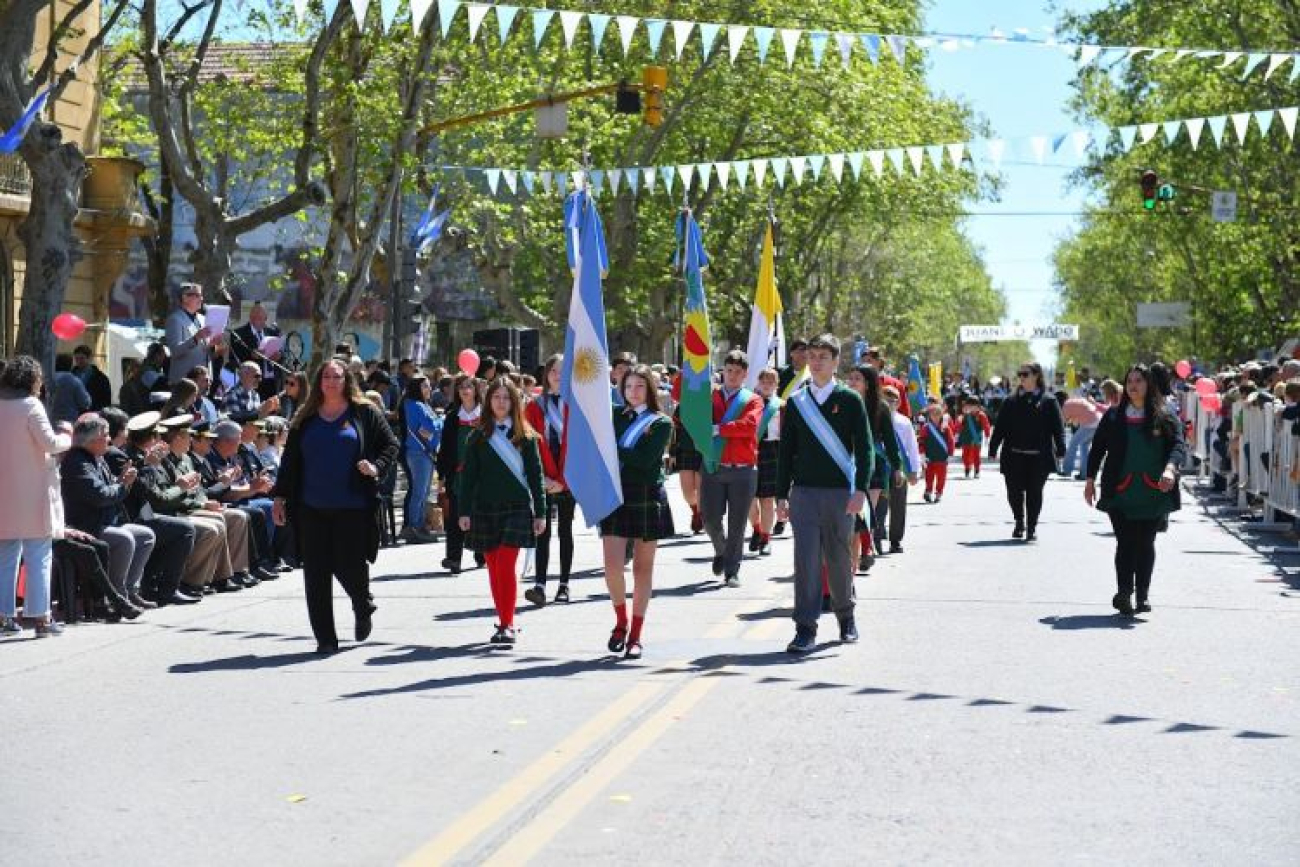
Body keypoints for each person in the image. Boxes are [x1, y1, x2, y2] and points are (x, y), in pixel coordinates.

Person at [272, 360, 399, 655]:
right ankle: (325, 639)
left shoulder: (364, 412)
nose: (331, 381)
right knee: (315, 572)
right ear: (319, 382)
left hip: (353, 506)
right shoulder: (306, 417)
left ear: (347, 380)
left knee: (349, 565)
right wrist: (280, 498)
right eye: (326, 376)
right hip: (310, 506)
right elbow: (290, 462)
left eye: (337, 376)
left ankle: (361, 603)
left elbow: (390, 445)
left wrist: (376, 467)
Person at [776, 334, 874, 654]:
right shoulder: (797, 401)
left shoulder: (850, 400)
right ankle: (805, 627)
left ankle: (846, 616)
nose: (816, 361)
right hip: (803, 493)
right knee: (805, 562)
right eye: (812, 355)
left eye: (823, 356)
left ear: (835, 362)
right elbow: (786, 452)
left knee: (838, 559)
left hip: (839, 494)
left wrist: (860, 489)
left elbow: (865, 448)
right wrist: (781, 494)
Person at [1085, 364, 1187, 616]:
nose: (1133, 385)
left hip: (1154, 491)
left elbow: (1178, 445)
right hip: (1119, 492)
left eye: (1139, 380)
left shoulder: (1164, 414)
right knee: (1125, 542)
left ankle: (1142, 594)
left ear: (1148, 384)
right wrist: (1089, 480)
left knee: (1145, 542)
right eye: (1129, 380)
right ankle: (1124, 592)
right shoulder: (1113, 416)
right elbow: (1097, 448)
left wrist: (1170, 469)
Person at [457, 377, 546, 646]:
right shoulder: (478, 435)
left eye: (507, 398)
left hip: (517, 507)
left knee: (506, 564)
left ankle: (507, 624)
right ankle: (503, 618)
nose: (501, 402)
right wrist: (463, 511)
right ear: (488, 401)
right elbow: (468, 477)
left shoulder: (526, 436)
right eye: (496, 397)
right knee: (494, 568)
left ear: (514, 402)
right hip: (484, 508)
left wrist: (540, 512)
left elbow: (535, 475)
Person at [599, 364, 674, 660]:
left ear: (650, 390)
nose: (633, 392)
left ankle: (636, 635)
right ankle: (620, 620)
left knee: (643, 568)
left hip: (645, 495)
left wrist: (613, 450)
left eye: (640, 387)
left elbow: (645, 460)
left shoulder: (661, 423)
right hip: (616, 497)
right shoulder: (613, 416)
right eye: (628, 387)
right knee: (612, 567)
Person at [0, 356, 73, 636]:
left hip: (4, 493)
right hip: (33, 494)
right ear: (33, 380)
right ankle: (41, 619)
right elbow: (50, 443)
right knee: (38, 556)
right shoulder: (31, 405)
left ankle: (5, 619)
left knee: (5, 559)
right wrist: (67, 436)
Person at [700, 350, 763, 587]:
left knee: (737, 523)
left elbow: (749, 426)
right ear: (722, 371)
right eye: (729, 370)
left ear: (745, 374)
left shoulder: (753, 399)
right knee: (709, 518)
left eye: (738, 372)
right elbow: (693, 417)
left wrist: (719, 429)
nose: (733, 375)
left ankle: (732, 569)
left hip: (743, 468)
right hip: (713, 465)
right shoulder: (711, 395)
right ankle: (721, 550)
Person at [988, 361, 1065, 542]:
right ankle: (1019, 521)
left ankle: (1031, 527)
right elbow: (1000, 428)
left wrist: (1061, 448)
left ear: (1036, 376)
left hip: (1039, 457)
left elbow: (1058, 428)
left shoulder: (1049, 401)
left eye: (1026, 374)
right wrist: (993, 448)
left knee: (1034, 492)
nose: (1022, 378)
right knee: (1014, 492)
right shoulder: (1010, 401)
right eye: (1020, 374)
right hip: (1013, 455)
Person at [523, 355, 576, 605]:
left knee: (565, 530)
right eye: (553, 370)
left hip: (568, 478)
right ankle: (540, 584)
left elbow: (579, 447)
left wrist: (564, 480)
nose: (557, 375)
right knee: (541, 530)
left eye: (563, 371)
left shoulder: (575, 406)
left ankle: (564, 584)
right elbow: (528, 443)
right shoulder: (535, 406)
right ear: (546, 374)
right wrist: (541, 477)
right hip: (543, 477)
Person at [847, 365, 902, 567]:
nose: (851, 382)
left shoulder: (881, 407)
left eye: (856, 379)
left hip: (874, 463)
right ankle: (860, 549)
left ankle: (866, 548)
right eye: (850, 378)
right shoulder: (843, 402)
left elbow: (890, 440)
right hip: (847, 462)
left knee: (866, 507)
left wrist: (897, 467)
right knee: (852, 510)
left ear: (868, 384)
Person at [436, 374, 483, 574]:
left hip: (482, 475)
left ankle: (481, 552)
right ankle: (454, 558)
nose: (465, 390)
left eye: (469, 386)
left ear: (475, 390)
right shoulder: (452, 416)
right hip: (458, 475)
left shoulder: (486, 415)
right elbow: (445, 448)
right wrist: (442, 474)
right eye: (461, 386)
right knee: (455, 516)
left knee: (479, 514)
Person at [399, 375, 441, 544]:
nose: (429, 389)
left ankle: (420, 525)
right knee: (419, 491)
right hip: (418, 452)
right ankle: (414, 527)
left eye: (429, 386)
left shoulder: (423, 405)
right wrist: (440, 421)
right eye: (425, 386)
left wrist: (435, 424)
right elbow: (430, 427)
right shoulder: (414, 405)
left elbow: (431, 427)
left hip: (427, 452)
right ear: (417, 388)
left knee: (424, 492)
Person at [880, 385, 921, 553]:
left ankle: (895, 540)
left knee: (898, 506)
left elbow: (912, 446)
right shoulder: (872, 419)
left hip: (900, 468)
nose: (889, 403)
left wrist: (914, 471)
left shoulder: (904, 422)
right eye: (885, 399)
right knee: (879, 504)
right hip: (880, 466)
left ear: (898, 403)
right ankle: (876, 535)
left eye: (893, 400)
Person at [748, 367, 783, 557]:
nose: (767, 385)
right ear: (758, 383)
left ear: (777, 385)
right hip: (751, 450)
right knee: (749, 498)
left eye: (772, 382)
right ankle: (756, 528)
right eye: (764, 381)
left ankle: (766, 538)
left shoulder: (782, 405)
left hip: (773, 450)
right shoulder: (748, 402)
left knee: (767, 499)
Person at [669, 373, 705, 535]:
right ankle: (695, 510)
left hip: (703, 451)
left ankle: (701, 515)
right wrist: (672, 453)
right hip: (685, 450)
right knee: (687, 491)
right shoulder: (680, 408)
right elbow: (674, 432)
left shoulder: (707, 403)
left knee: (701, 488)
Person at [228, 302, 283, 399]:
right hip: (253, 381)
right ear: (250, 317)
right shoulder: (239, 333)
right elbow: (235, 358)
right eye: (254, 317)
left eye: (260, 317)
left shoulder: (272, 332)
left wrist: (278, 356)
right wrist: (252, 355)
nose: (256, 320)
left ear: (265, 319)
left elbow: (281, 354)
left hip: (272, 381)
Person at [165, 283, 217, 384]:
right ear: (185, 298)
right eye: (197, 295)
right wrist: (196, 338)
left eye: (201, 295)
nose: (201, 299)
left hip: (204, 381)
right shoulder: (175, 319)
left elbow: (204, 351)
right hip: (184, 382)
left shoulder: (203, 319)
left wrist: (213, 346)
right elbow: (175, 351)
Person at [918, 402, 956, 503]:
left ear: (941, 415)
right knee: (929, 477)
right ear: (929, 415)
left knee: (941, 477)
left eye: (938, 414)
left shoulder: (945, 428)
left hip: (942, 458)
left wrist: (951, 454)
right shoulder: (926, 428)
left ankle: (939, 493)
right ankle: (928, 491)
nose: (935, 416)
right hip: (929, 458)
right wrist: (922, 454)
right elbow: (921, 441)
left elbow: (951, 441)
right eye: (933, 414)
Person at [49, 353, 92, 427]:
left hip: (49, 421)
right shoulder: (75, 381)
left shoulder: (48, 379)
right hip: (69, 423)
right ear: (70, 366)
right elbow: (85, 403)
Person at [955, 396, 992, 478]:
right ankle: (967, 469)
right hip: (966, 439)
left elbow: (986, 425)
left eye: (974, 406)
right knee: (965, 455)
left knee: (976, 456)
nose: (971, 408)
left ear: (978, 406)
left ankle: (977, 470)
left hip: (976, 440)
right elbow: (958, 427)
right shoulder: (963, 416)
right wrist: (957, 436)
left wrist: (987, 435)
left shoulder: (981, 415)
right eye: (969, 406)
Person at [72, 344, 113, 411]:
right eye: (77, 359)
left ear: (89, 358)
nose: (79, 361)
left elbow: (106, 401)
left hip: (93, 413)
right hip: (74, 413)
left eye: (82, 358)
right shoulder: (71, 375)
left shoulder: (101, 378)